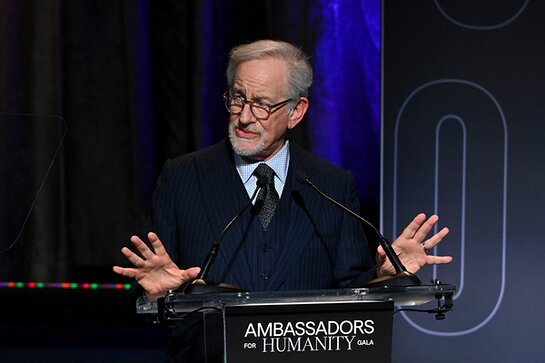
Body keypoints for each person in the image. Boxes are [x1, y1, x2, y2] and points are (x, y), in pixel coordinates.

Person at [113, 39, 452, 361]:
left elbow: (351, 295)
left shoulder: (331, 185)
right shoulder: (182, 177)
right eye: (237, 98)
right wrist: (153, 295)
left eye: (261, 104)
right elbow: (151, 279)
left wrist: (384, 275)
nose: (245, 117)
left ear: (296, 111)